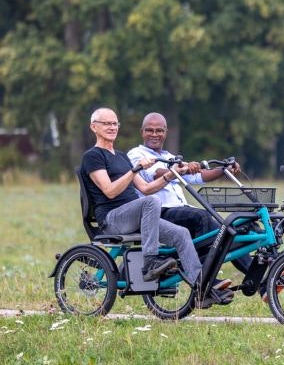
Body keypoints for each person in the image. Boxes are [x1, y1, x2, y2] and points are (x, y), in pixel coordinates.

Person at [80, 108, 202, 286]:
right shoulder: (93, 156)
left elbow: (146, 188)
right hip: (112, 219)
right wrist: (135, 169)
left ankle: (201, 287)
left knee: (181, 234)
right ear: (94, 127)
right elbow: (110, 191)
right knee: (151, 202)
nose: (112, 127)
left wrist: (172, 173)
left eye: (115, 123)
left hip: (134, 218)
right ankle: (150, 262)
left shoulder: (121, 156)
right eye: (106, 123)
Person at [127, 112, 252, 283]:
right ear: (142, 132)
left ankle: (257, 279)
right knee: (203, 218)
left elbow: (198, 177)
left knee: (226, 229)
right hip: (158, 213)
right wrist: (183, 169)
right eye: (149, 130)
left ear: (165, 132)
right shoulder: (136, 154)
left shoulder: (169, 156)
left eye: (159, 130)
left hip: (180, 211)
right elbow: (153, 174)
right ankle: (202, 280)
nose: (154, 134)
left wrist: (224, 169)